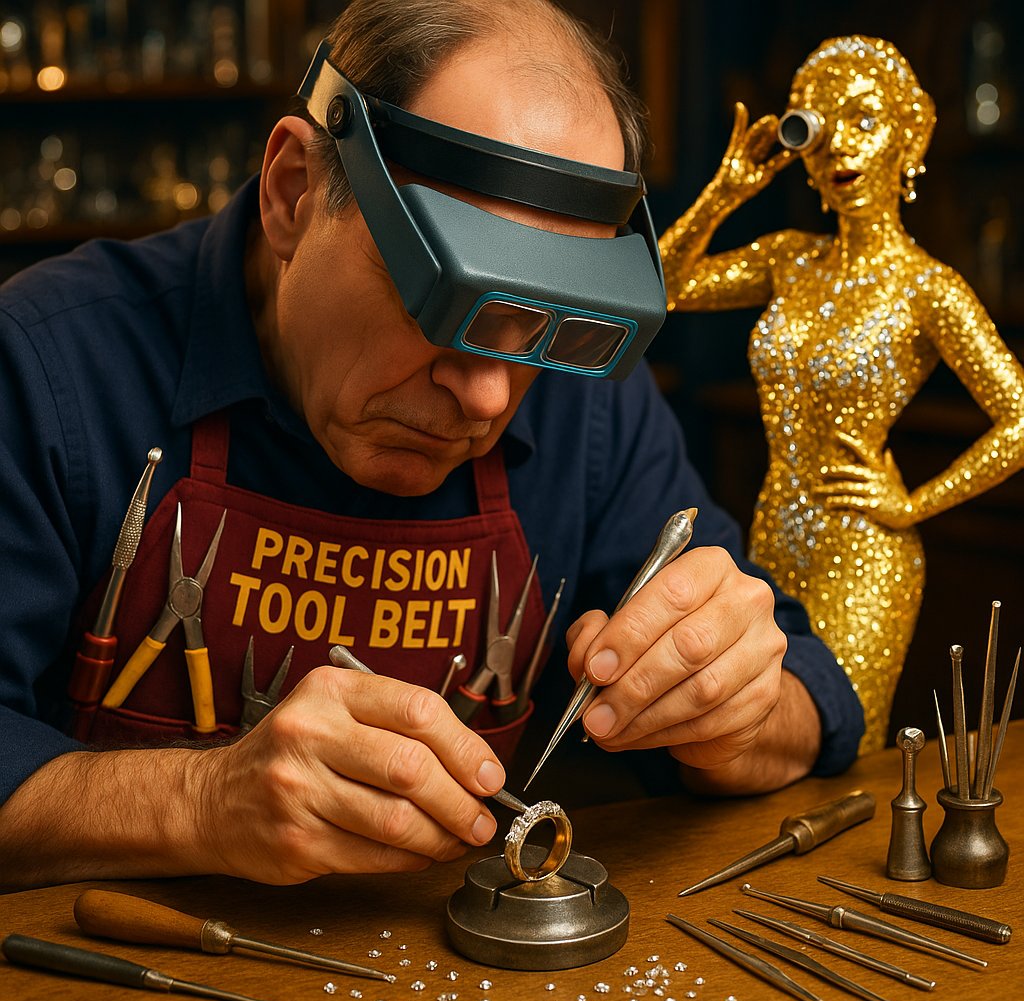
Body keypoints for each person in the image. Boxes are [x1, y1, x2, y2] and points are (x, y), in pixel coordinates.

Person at [0, 0, 862, 891]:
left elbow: (811, 700)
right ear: (295, 190)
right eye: (443, 303)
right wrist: (198, 801)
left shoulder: (583, 404)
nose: (488, 395)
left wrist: (736, 710)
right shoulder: (46, 366)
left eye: (546, 328)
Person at [659, 36, 1024, 752]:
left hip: (866, 553)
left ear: (909, 132)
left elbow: (1020, 419)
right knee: (757, 744)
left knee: (842, 749)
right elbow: (665, 288)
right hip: (770, 536)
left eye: (864, 120)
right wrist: (726, 191)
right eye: (818, 128)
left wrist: (913, 504)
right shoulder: (789, 258)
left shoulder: (929, 290)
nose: (839, 149)